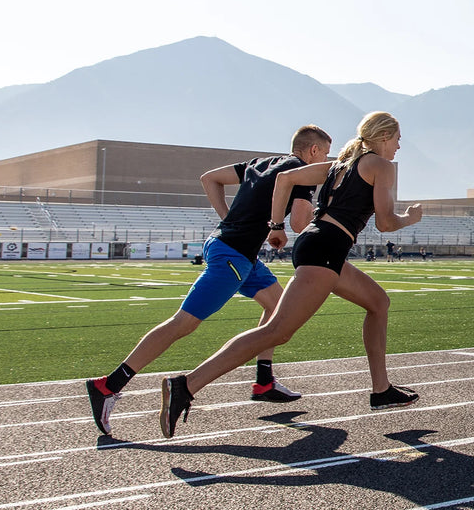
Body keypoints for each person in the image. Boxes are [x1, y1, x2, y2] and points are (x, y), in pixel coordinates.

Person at [160, 111, 423, 438]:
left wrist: (276, 225)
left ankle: (381, 389)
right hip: (326, 248)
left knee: (377, 302)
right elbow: (385, 223)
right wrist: (409, 218)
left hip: (318, 244)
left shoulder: (341, 163)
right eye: (398, 139)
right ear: (384, 136)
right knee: (277, 331)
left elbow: (285, 180)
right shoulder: (381, 167)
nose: (399, 146)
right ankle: (186, 385)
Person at [83, 125, 331, 436]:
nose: (324, 160)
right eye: (324, 154)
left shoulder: (261, 163)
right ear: (313, 152)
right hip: (233, 257)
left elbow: (209, 178)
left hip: (232, 249)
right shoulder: (301, 174)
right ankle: (109, 385)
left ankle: (264, 380)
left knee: (276, 308)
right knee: (182, 324)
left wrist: (230, 220)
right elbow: (298, 223)